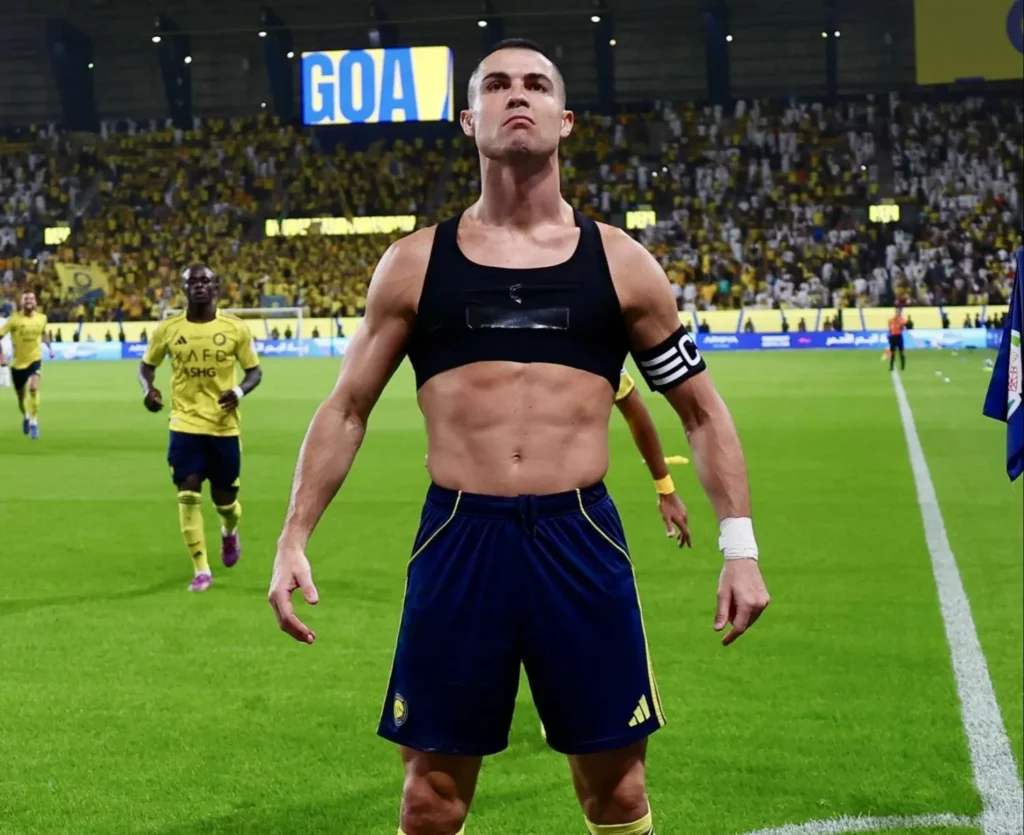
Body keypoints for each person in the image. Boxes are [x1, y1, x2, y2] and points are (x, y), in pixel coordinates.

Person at [268, 39, 769, 835]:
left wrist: (739, 547)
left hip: (580, 535)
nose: (517, 95)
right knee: (429, 798)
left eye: (536, 84)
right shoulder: (413, 264)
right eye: (496, 85)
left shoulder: (623, 264)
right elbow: (347, 408)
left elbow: (701, 412)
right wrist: (293, 534)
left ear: (564, 120)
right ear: (470, 120)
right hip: (460, 536)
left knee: (618, 790)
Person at [138, 265, 263, 592]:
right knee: (188, 490)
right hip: (184, 424)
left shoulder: (234, 328)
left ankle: (229, 531)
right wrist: (148, 390)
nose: (198, 286)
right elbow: (146, 366)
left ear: (216, 286)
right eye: (192, 281)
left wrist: (238, 391)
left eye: (204, 280)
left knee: (226, 502)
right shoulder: (168, 328)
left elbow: (254, 372)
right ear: (183, 288)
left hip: (223, 427)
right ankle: (201, 569)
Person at [0, 291, 54, 440]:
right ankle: (26, 416)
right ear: (21, 302)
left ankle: (34, 422)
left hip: (35, 359)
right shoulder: (13, 320)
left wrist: (49, 348)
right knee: (21, 398)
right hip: (18, 364)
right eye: (26, 299)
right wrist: (1, 356)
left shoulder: (42, 318)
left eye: (31, 298)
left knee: (34, 388)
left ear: (35, 302)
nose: (29, 301)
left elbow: (43, 333)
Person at [888, 307, 907, 371]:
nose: (897, 313)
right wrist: (889, 336)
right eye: (896, 311)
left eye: (899, 312)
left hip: (899, 336)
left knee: (901, 352)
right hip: (893, 337)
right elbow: (890, 329)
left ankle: (903, 366)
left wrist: (901, 325)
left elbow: (903, 328)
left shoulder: (902, 320)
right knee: (892, 353)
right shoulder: (891, 320)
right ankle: (891, 367)